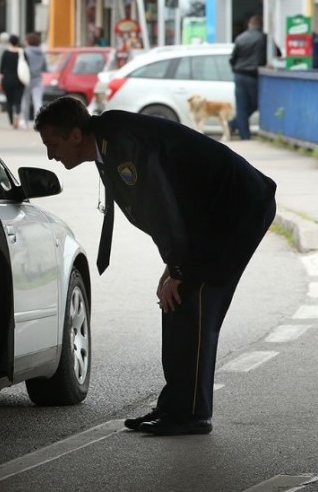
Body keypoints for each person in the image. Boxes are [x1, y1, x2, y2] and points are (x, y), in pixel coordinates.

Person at [34, 97, 276, 436]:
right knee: (174, 301)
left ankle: (191, 413)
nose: (51, 155)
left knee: (193, 302)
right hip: (208, 216)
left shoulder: (122, 146)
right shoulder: (108, 140)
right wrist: (173, 265)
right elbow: (164, 207)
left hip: (236, 210)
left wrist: (178, 269)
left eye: (53, 144)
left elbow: (161, 208)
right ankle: (176, 405)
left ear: (75, 135)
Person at [229, 15, 280, 140]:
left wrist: (236, 69)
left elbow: (232, 59)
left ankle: (243, 135)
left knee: (241, 106)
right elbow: (278, 54)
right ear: (261, 25)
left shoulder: (240, 38)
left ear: (249, 25)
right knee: (256, 103)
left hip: (239, 75)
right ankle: (234, 124)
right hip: (254, 76)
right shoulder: (265, 38)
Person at [19, 32, 47, 128]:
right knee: (37, 101)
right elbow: (44, 68)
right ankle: (38, 122)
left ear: (28, 41)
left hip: (26, 79)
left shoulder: (25, 51)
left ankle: (25, 122)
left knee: (25, 100)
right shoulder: (41, 52)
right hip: (38, 79)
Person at [0, 35, 25, 129]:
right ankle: (17, 115)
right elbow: (26, 66)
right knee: (18, 101)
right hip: (19, 80)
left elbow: (1, 69)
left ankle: (11, 120)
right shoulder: (22, 52)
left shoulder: (6, 53)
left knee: (9, 101)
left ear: (10, 42)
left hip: (7, 80)